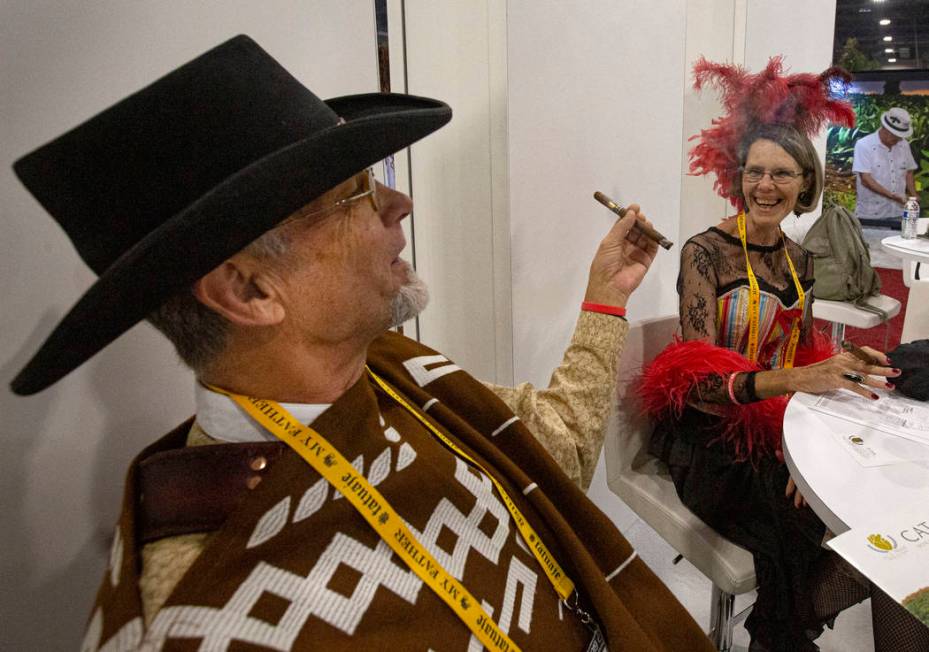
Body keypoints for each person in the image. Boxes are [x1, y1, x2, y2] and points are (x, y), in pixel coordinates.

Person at [10, 36, 715, 651]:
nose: (397, 203)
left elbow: (552, 449)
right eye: (356, 192)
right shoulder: (198, 613)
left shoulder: (395, 377)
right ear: (250, 291)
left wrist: (604, 296)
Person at [642, 58, 929, 651]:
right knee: (798, 527)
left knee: (852, 510)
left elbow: (801, 359)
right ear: (737, 177)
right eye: (755, 172)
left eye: (781, 174)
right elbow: (696, 387)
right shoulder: (705, 254)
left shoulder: (799, 263)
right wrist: (797, 392)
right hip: (706, 439)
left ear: (807, 185)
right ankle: (782, 635)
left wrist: (836, 389)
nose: (765, 187)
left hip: (771, 427)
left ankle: (781, 631)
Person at [853, 107, 918, 221]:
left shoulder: (904, 145)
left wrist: (913, 195)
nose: (899, 140)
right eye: (896, 137)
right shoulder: (864, 145)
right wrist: (892, 196)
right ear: (886, 130)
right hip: (870, 215)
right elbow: (866, 179)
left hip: (898, 213)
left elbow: (909, 172)